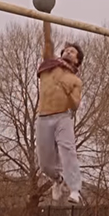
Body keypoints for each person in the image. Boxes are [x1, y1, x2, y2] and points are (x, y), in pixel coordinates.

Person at [36, 18, 84, 205]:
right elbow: (48, 40)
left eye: (73, 52)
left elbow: (75, 105)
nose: (69, 52)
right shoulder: (49, 65)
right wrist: (46, 16)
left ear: (77, 61)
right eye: (67, 50)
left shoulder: (75, 81)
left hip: (63, 117)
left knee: (68, 150)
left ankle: (74, 190)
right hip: (43, 118)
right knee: (45, 165)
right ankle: (58, 180)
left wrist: (67, 92)